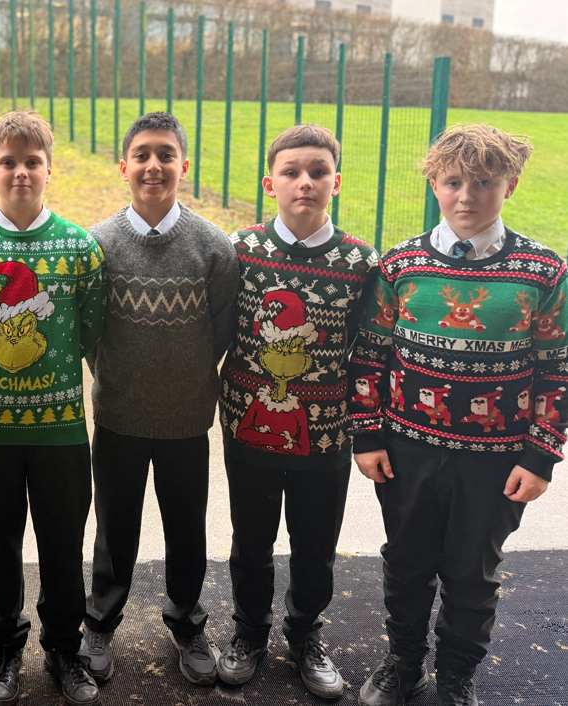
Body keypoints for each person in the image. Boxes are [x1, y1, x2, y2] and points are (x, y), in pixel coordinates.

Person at [351, 124, 562, 706]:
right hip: (407, 450)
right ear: (433, 184)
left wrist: (541, 456)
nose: (467, 196)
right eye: (453, 182)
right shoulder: (400, 265)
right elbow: (369, 355)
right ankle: (404, 664)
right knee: (407, 562)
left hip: (496, 462)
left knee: (473, 573)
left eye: (484, 183)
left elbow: (556, 371)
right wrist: (367, 436)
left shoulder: (543, 272)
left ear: (510, 185)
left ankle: (456, 675)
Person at [0, 110, 107, 706]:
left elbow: (89, 329)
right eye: (8, 161)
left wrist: (51, 374)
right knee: (1, 545)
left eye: (31, 161)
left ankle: (64, 648)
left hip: (61, 432)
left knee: (63, 545)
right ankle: (5, 648)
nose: (20, 172)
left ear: (48, 169)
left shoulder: (80, 247)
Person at [216, 124, 379, 698]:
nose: (304, 182)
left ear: (337, 181)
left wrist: (366, 430)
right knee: (251, 541)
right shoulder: (240, 250)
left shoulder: (363, 263)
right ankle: (248, 635)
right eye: (291, 172)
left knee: (315, 545)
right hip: (249, 424)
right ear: (270, 183)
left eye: (317, 171)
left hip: (326, 435)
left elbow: (369, 353)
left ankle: (306, 635)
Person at [78, 112, 238, 687]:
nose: (154, 165)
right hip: (119, 415)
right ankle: (99, 621)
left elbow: (223, 330)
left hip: (186, 420)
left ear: (183, 167)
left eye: (166, 154)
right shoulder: (96, 244)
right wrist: (119, 377)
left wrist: (185, 375)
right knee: (114, 526)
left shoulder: (212, 246)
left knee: (186, 527)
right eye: (142, 154)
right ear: (124, 167)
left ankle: (188, 623)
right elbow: (90, 332)